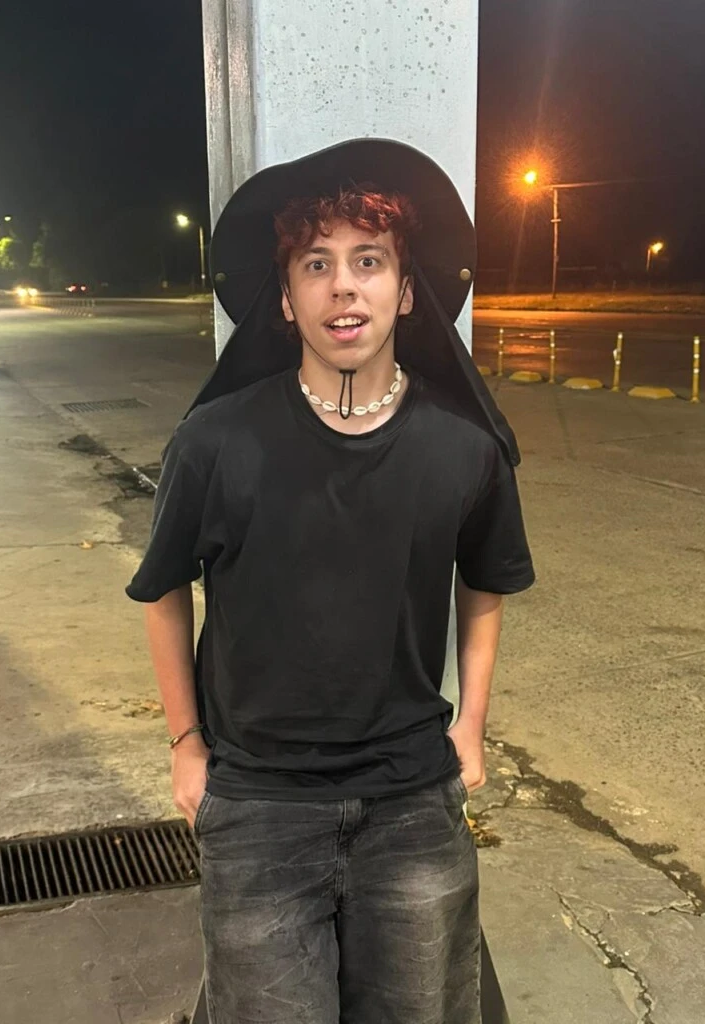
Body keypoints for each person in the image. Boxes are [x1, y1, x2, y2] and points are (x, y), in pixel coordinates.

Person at [126, 138, 534, 1024]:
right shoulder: (214, 442)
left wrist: (471, 724)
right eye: (316, 264)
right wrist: (187, 743)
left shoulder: (464, 449)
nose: (343, 287)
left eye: (368, 261)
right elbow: (162, 589)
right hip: (258, 802)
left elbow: (486, 583)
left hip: (411, 802)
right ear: (285, 298)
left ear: (407, 290)